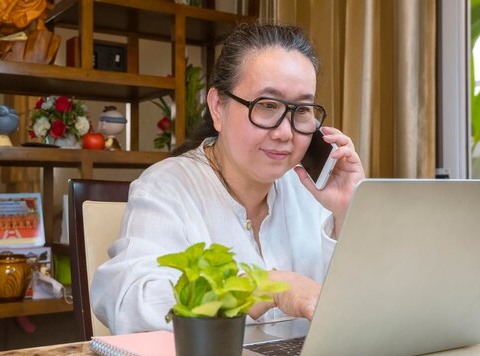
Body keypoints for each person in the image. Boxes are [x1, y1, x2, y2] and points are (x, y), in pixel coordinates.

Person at [91, 23, 365, 335]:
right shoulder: (167, 187)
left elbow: (362, 315)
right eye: (267, 105)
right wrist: (266, 286)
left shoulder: (309, 191)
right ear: (218, 108)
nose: (285, 133)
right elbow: (131, 305)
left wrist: (347, 212)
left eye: (301, 110)